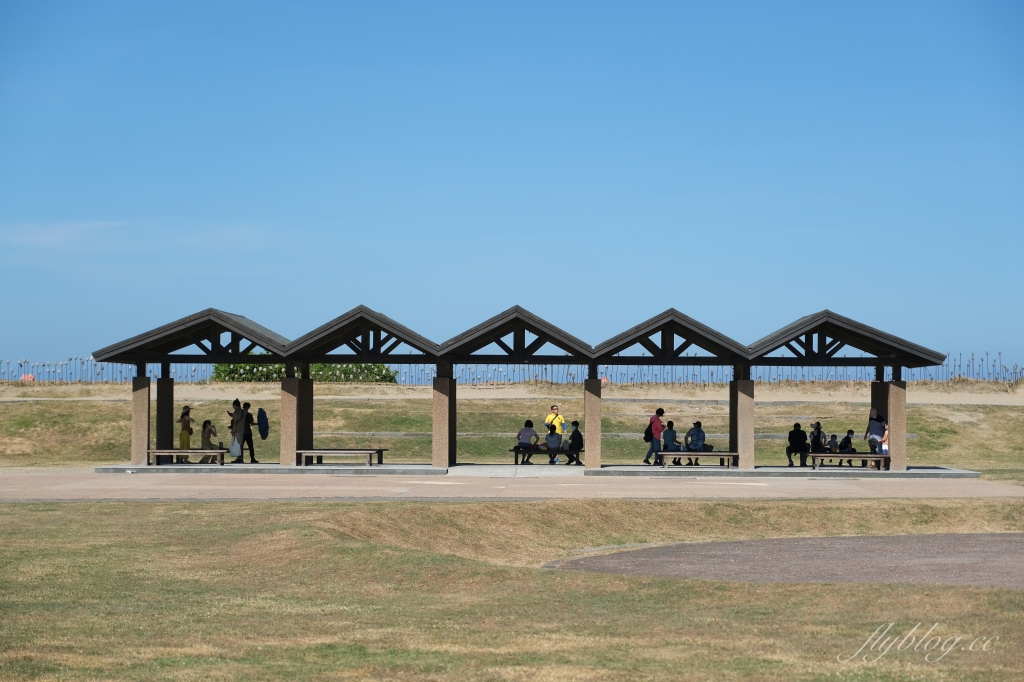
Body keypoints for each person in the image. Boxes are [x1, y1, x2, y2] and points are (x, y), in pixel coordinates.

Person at [228, 399, 245, 464]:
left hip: (237, 430)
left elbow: (235, 422)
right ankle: (240, 458)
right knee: (240, 444)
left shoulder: (236, 412)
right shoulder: (242, 411)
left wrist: (233, 431)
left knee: (238, 445)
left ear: (234, 405)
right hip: (242, 430)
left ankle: (239, 458)